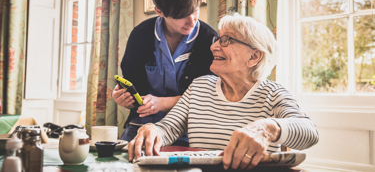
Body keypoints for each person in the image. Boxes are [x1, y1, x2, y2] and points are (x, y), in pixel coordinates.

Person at [128, 13, 319, 170]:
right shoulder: (199, 87)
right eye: (218, 39)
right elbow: (167, 128)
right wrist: (153, 129)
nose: (213, 46)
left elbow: (310, 132)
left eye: (226, 40)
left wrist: (267, 128)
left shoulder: (273, 93)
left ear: (254, 56)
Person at [112, 0, 218, 145]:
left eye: (195, 11)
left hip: (189, 127)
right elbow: (134, 88)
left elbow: (209, 95)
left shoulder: (210, 40)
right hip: (141, 124)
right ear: (159, 11)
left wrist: (162, 103)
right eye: (182, 16)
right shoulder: (140, 35)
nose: (192, 22)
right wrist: (126, 99)